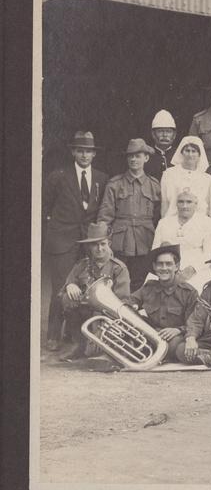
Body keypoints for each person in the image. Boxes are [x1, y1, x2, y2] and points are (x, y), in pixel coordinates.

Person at [43, 131, 108, 351]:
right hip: (62, 240)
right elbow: (46, 206)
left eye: (88, 151)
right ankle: (53, 334)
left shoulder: (101, 178)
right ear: (73, 152)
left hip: (87, 240)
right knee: (62, 286)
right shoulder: (58, 176)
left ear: (93, 154)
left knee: (85, 285)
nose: (84, 155)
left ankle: (74, 334)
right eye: (80, 150)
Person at [57, 222, 130, 361]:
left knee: (95, 354)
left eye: (102, 243)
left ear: (109, 242)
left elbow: (123, 300)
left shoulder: (119, 268)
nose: (99, 248)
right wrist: (70, 285)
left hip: (108, 317)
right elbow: (64, 289)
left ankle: (102, 346)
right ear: (89, 246)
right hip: (84, 314)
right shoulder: (82, 265)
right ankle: (79, 343)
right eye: (94, 245)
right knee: (67, 298)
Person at [97, 138, 162, 291]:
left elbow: (159, 217)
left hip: (145, 242)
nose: (133, 159)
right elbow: (105, 217)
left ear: (146, 158)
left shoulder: (154, 185)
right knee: (118, 282)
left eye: (138, 156)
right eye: (130, 156)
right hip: (120, 243)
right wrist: (104, 244)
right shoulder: (115, 184)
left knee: (140, 284)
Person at [126, 243, 198, 366]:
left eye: (168, 264)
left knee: (175, 347)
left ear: (177, 266)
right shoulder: (148, 288)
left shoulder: (189, 292)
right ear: (154, 266)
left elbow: (196, 323)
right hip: (153, 334)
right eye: (160, 264)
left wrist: (177, 330)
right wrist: (132, 306)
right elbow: (129, 301)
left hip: (176, 337)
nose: (164, 268)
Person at [152, 190, 211, 288]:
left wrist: (192, 269)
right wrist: (168, 269)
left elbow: (209, 254)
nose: (184, 206)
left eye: (189, 202)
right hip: (166, 266)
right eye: (181, 202)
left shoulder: (207, 223)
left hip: (197, 267)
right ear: (176, 204)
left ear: (196, 204)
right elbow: (155, 250)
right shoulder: (164, 223)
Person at [160, 136, 211, 218]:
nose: (190, 154)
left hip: (199, 222)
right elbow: (165, 203)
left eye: (194, 151)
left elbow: (209, 206)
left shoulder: (207, 178)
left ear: (199, 155)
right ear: (181, 153)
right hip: (173, 219)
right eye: (187, 151)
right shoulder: (169, 174)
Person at [145, 109, 178, 182]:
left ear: (174, 135)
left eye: (168, 132)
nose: (165, 135)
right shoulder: (146, 157)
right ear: (153, 134)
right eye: (160, 131)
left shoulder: (179, 155)